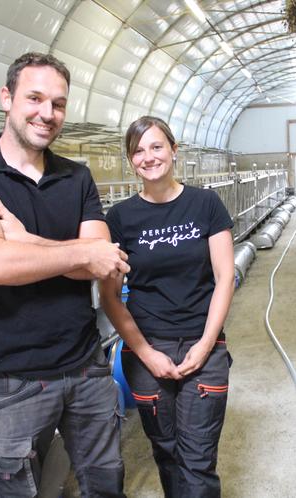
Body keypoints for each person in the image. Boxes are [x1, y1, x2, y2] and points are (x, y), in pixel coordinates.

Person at [0, 52, 130, 498]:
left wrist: (24, 242)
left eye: (58, 103)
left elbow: (102, 261)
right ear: (7, 98)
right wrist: (76, 253)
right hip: (10, 381)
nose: (47, 113)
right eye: (35, 98)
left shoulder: (76, 176)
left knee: (106, 485)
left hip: (86, 369)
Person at [101, 116, 235, 497]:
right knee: (167, 451)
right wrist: (146, 353)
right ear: (130, 161)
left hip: (203, 345)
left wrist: (206, 344)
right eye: (138, 151)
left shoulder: (205, 204)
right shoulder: (120, 218)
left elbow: (225, 278)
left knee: (198, 459)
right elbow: (109, 296)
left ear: (174, 151)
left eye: (157, 147)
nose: (149, 157)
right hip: (148, 352)